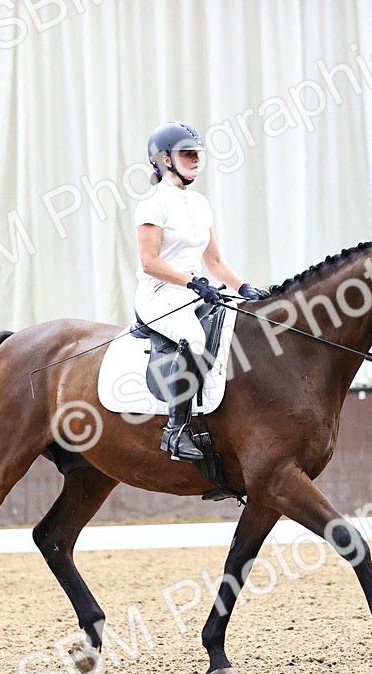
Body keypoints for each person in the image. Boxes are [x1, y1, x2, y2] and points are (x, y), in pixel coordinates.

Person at [134, 121, 268, 461]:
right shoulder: (153, 204)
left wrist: (245, 288)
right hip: (160, 294)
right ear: (165, 160)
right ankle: (175, 432)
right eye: (187, 153)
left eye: (197, 154)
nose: (196, 159)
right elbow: (149, 262)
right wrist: (193, 283)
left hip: (196, 290)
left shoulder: (200, 203)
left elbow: (215, 260)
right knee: (193, 339)